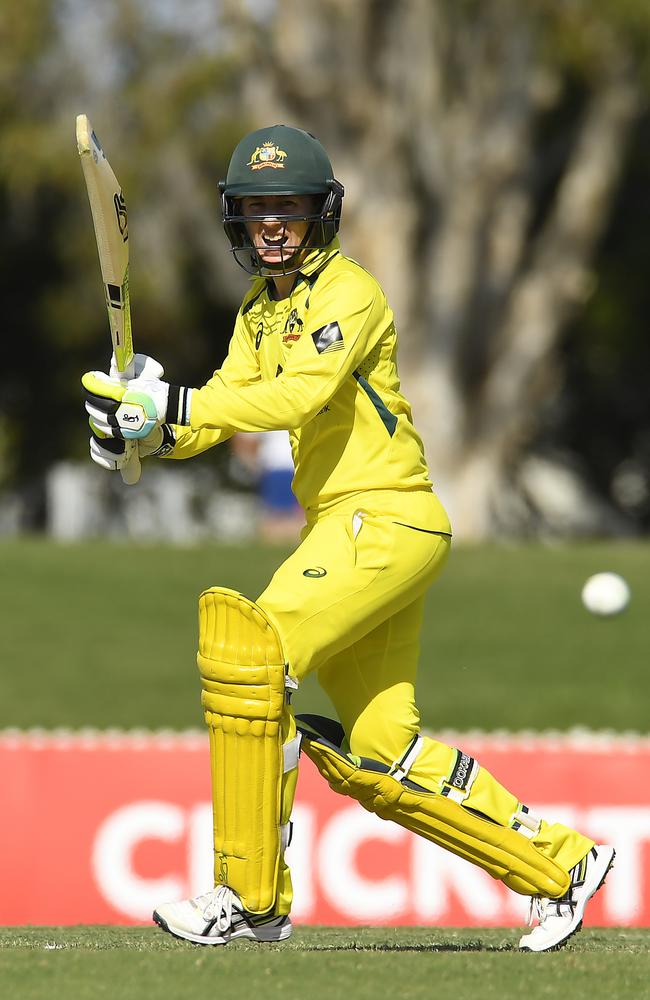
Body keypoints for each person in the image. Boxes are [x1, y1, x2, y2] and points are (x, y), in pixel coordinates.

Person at [83, 124, 614, 953]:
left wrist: (174, 407)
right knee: (379, 748)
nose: (272, 225)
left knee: (251, 656)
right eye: (257, 209)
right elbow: (228, 406)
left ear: (321, 214)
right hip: (350, 525)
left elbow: (297, 397)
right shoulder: (260, 315)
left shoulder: (351, 294)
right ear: (236, 219)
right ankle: (563, 867)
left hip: (386, 516)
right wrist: (139, 431)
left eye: (287, 207)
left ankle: (247, 895)